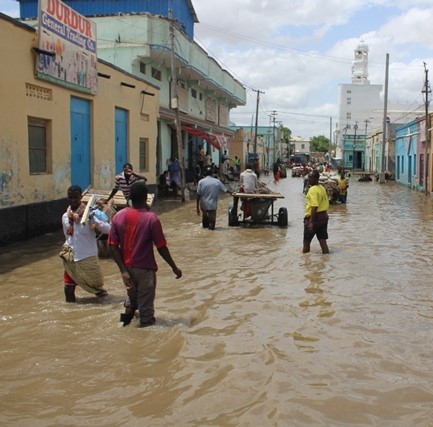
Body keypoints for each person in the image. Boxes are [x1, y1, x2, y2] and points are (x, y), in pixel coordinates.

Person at [108, 181, 182, 327]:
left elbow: (112, 245)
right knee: (146, 311)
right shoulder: (151, 218)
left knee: (132, 301)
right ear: (145, 197)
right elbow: (161, 247)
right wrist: (174, 267)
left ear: (129, 197)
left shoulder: (119, 216)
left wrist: (123, 270)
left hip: (127, 269)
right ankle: (144, 339)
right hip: (145, 270)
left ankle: (123, 325)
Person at [60, 185, 111, 303]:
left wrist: (93, 219)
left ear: (81, 197)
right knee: (68, 288)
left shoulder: (89, 215)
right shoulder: (65, 217)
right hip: (71, 257)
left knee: (98, 289)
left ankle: (105, 307)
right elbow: (67, 236)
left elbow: (107, 229)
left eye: (75, 197)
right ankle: (71, 312)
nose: (73, 200)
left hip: (87, 256)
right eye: (70, 197)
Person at [303, 170, 330, 254]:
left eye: (311, 177)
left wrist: (311, 222)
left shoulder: (312, 190)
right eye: (309, 177)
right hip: (323, 217)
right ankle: (326, 259)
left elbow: (314, 206)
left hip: (314, 218)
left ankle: (305, 262)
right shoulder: (321, 188)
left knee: (306, 241)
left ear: (316, 178)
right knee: (323, 241)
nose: (309, 179)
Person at [196, 166, 231, 230]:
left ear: (205, 173)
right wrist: (232, 192)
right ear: (212, 173)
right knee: (212, 223)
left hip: (203, 205)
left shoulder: (201, 182)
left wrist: (197, 208)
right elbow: (226, 190)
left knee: (205, 221)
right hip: (212, 205)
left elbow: (198, 195)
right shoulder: (217, 182)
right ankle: (210, 235)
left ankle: (204, 236)